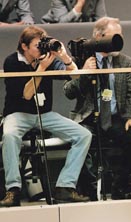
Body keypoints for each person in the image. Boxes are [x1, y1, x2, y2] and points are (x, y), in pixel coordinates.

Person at [0, 25, 92, 207]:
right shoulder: (12, 61)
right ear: (24, 46)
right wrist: (41, 68)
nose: (40, 49)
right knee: (9, 136)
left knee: (83, 135)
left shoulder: (47, 59)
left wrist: (64, 57)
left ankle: (65, 186)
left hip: (45, 114)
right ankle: (13, 189)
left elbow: (74, 77)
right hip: (17, 114)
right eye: (36, 45)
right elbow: (26, 94)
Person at [63, 17, 131, 200]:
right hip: (88, 118)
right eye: (115, 37)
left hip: (116, 118)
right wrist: (84, 73)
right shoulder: (81, 58)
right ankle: (90, 192)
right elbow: (69, 92)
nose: (119, 42)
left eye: (121, 36)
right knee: (82, 140)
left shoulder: (125, 61)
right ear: (99, 37)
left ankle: (120, 185)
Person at [41, 0, 106, 23]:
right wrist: (79, 4)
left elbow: (101, 20)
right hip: (54, 30)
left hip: (81, 31)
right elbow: (62, 23)